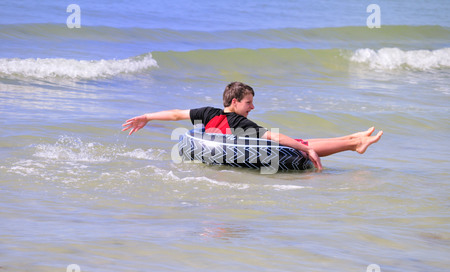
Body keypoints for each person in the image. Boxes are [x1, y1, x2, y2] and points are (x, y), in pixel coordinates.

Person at [122, 82, 383, 171]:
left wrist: (148, 116)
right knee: (305, 145)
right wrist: (305, 149)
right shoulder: (239, 122)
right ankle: (353, 143)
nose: (252, 107)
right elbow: (273, 135)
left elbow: (177, 114)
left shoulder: (207, 113)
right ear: (235, 102)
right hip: (251, 147)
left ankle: (353, 139)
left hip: (242, 148)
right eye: (249, 103)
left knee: (301, 144)